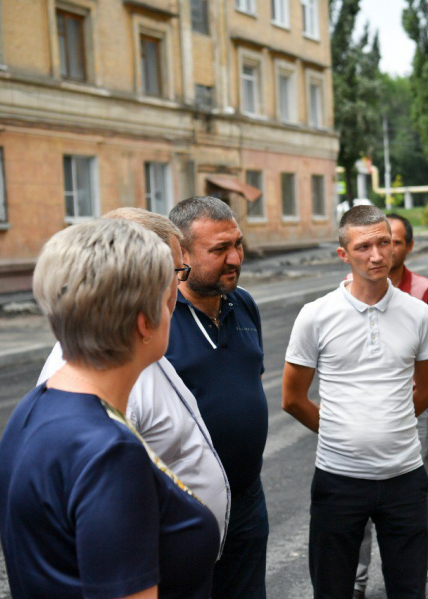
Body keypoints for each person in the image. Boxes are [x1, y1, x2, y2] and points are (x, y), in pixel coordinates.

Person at [0, 219, 219, 598]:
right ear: (144, 323)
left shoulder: (35, 407)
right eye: (167, 300)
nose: (173, 310)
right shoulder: (111, 452)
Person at [36, 208, 230, 556]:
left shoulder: (58, 399)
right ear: (143, 316)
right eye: (173, 272)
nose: (177, 288)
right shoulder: (105, 444)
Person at [282, 205, 428, 598]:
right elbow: (292, 398)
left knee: (409, 590)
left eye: (384, 243)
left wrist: (389, 425)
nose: (376, 255)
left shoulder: (419, 314)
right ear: (343, 254)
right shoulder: (315, 316)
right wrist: (342, 432)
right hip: (338, 480)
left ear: (395, 245)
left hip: (404, 478)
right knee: (333, 590)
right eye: (364, 246)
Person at [353, 213, 428, 599]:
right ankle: (356, 581)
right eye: (376, 242)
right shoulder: (348, 292)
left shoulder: (423, 291)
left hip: (417, 406)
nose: (384, 251)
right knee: (357, 494)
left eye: (393, 242)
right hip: (365, 411)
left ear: (407, 247)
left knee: (424, 489)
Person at [165, 196, 269, 599]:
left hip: (246, 502)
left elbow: (244, 385)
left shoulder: (243, 305)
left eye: (237, 244)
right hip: (185, 508)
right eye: (219, 249)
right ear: (182, 253)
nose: (234, 258)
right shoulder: (160, 316)